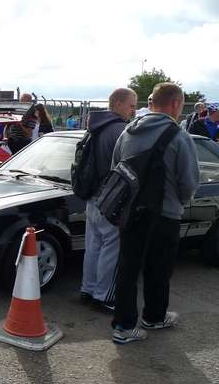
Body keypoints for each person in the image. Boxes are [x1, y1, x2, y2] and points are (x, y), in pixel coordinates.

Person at [110, 83, 199, 344]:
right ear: (174, 104)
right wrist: (180, 201)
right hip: (165, 213)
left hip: (131, 211)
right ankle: (154, 316)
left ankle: (124, 327)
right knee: (159, 269)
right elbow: (189, 182)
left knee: (127, 268)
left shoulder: (128, 131)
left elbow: (116, 168)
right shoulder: (179, 136)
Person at [79, 88, 137, 312]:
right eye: (131, 105)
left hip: (91, 195)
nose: (133, 110)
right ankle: (103, 296)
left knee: (93, 245)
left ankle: (88, 288)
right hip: (111, 197)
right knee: (112, 246)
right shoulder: (121, 131)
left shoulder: (93, 127)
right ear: (119, 104)